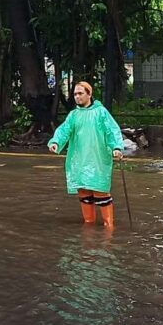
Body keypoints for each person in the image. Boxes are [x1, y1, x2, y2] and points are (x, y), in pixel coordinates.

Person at [48, 82, 125, 228]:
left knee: (100, 190)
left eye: (80, 93)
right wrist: (56, 142)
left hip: (98, 158)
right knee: (83, 190)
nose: (77, 97)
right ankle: (89, 223)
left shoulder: (101, 112)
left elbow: (112, 130)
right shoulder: (74, 115)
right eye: (75, 94)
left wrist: (116, 147)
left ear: (89, 94)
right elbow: (64, 130)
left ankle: (109, 225)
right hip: (79, 159)